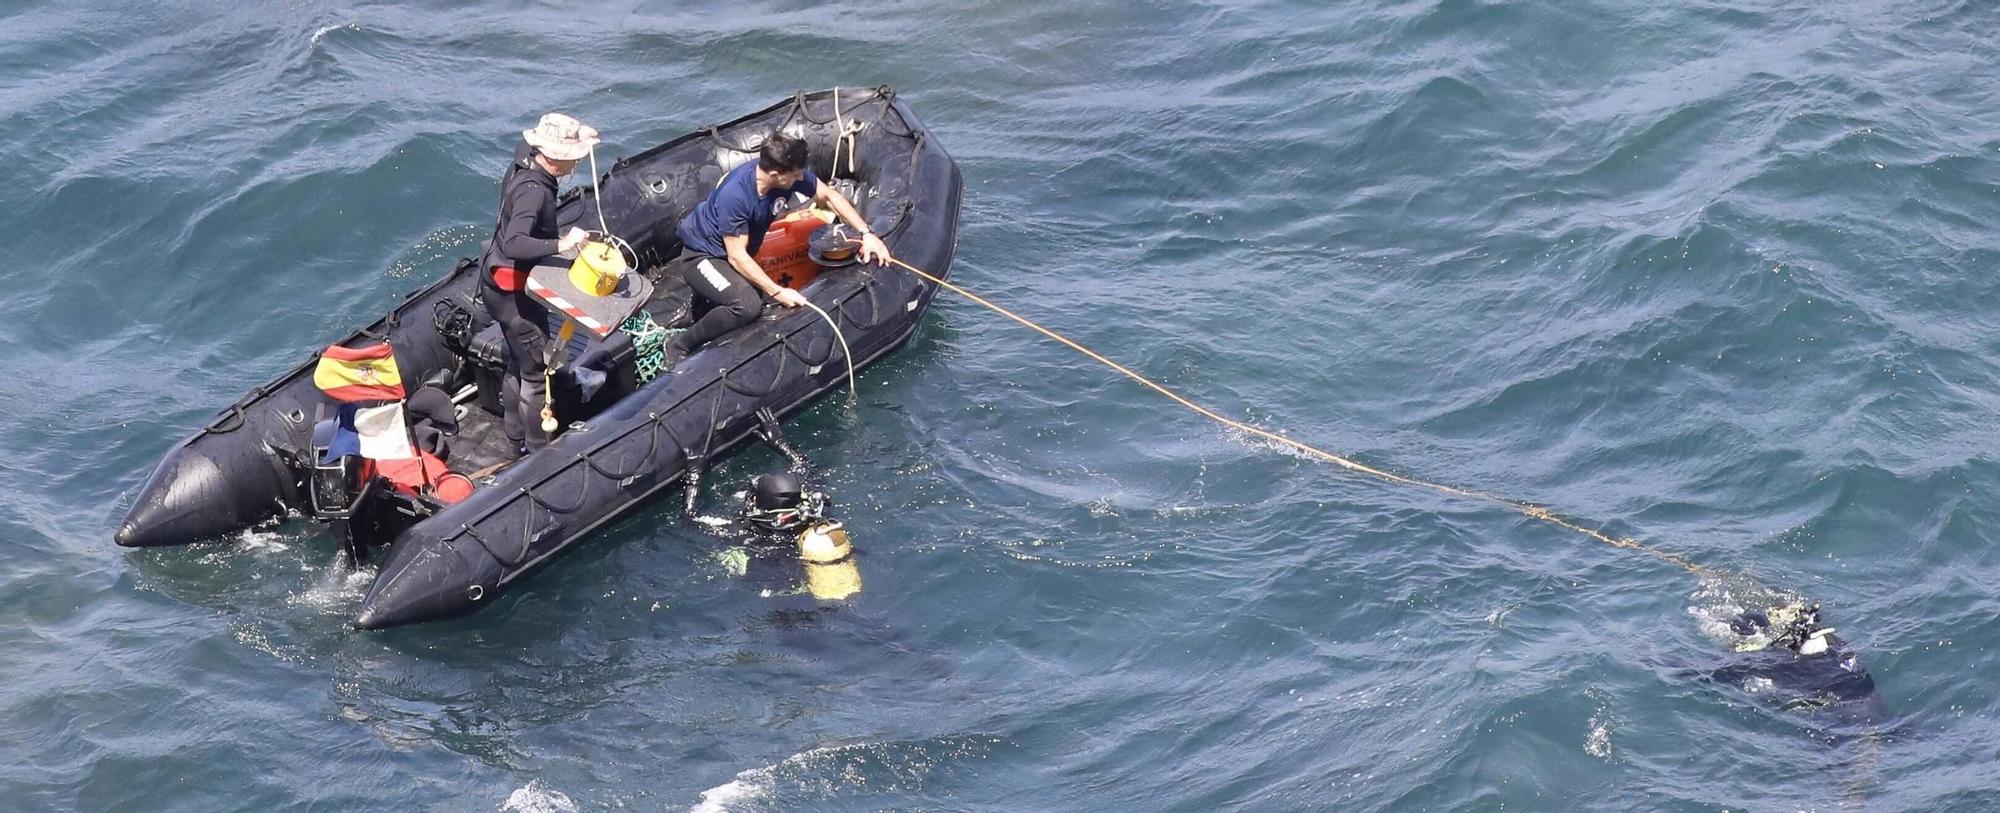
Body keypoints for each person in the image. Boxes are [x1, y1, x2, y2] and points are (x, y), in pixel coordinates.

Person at [662, 132, 892, 366]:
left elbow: (829, 196)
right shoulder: (737, 196)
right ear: (775, 175)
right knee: (748, 306)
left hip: (734, 254)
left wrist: (866, 234)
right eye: (796, 175)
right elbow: (737, 256)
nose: (801, 177)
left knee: (753, 295)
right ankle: (679, 344)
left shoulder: (787, 173)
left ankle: (699, 310)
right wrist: (778, 292)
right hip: (704, 255)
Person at [478, 112, 597, 455]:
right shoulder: (533, 192)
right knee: (534, 372)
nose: (576, 163)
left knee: (517, 361)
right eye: (573, 157)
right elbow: (515, 243)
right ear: (555, 158)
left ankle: (514, 436)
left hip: (495, 283)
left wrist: (582, 135)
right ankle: (537, 452)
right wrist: (563, 243)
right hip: (512, 294)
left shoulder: (525, 158)